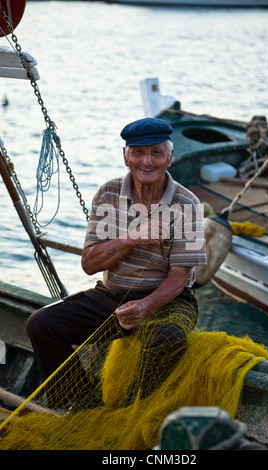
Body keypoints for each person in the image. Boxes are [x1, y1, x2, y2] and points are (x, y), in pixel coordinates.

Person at [26, 117, 206, 409]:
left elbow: (179, 277)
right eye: (138, 152)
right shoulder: (108, 194)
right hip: (110, 296)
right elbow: (89, 264)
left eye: (156, 153)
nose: (146, 161)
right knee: (41, 324)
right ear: (126, 157)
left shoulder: (188, 204)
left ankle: (134, 409)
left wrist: (146, 306)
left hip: (169, 300)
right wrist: (132, 238)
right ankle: (82, 399)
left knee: (168, 337)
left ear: (170, 157)